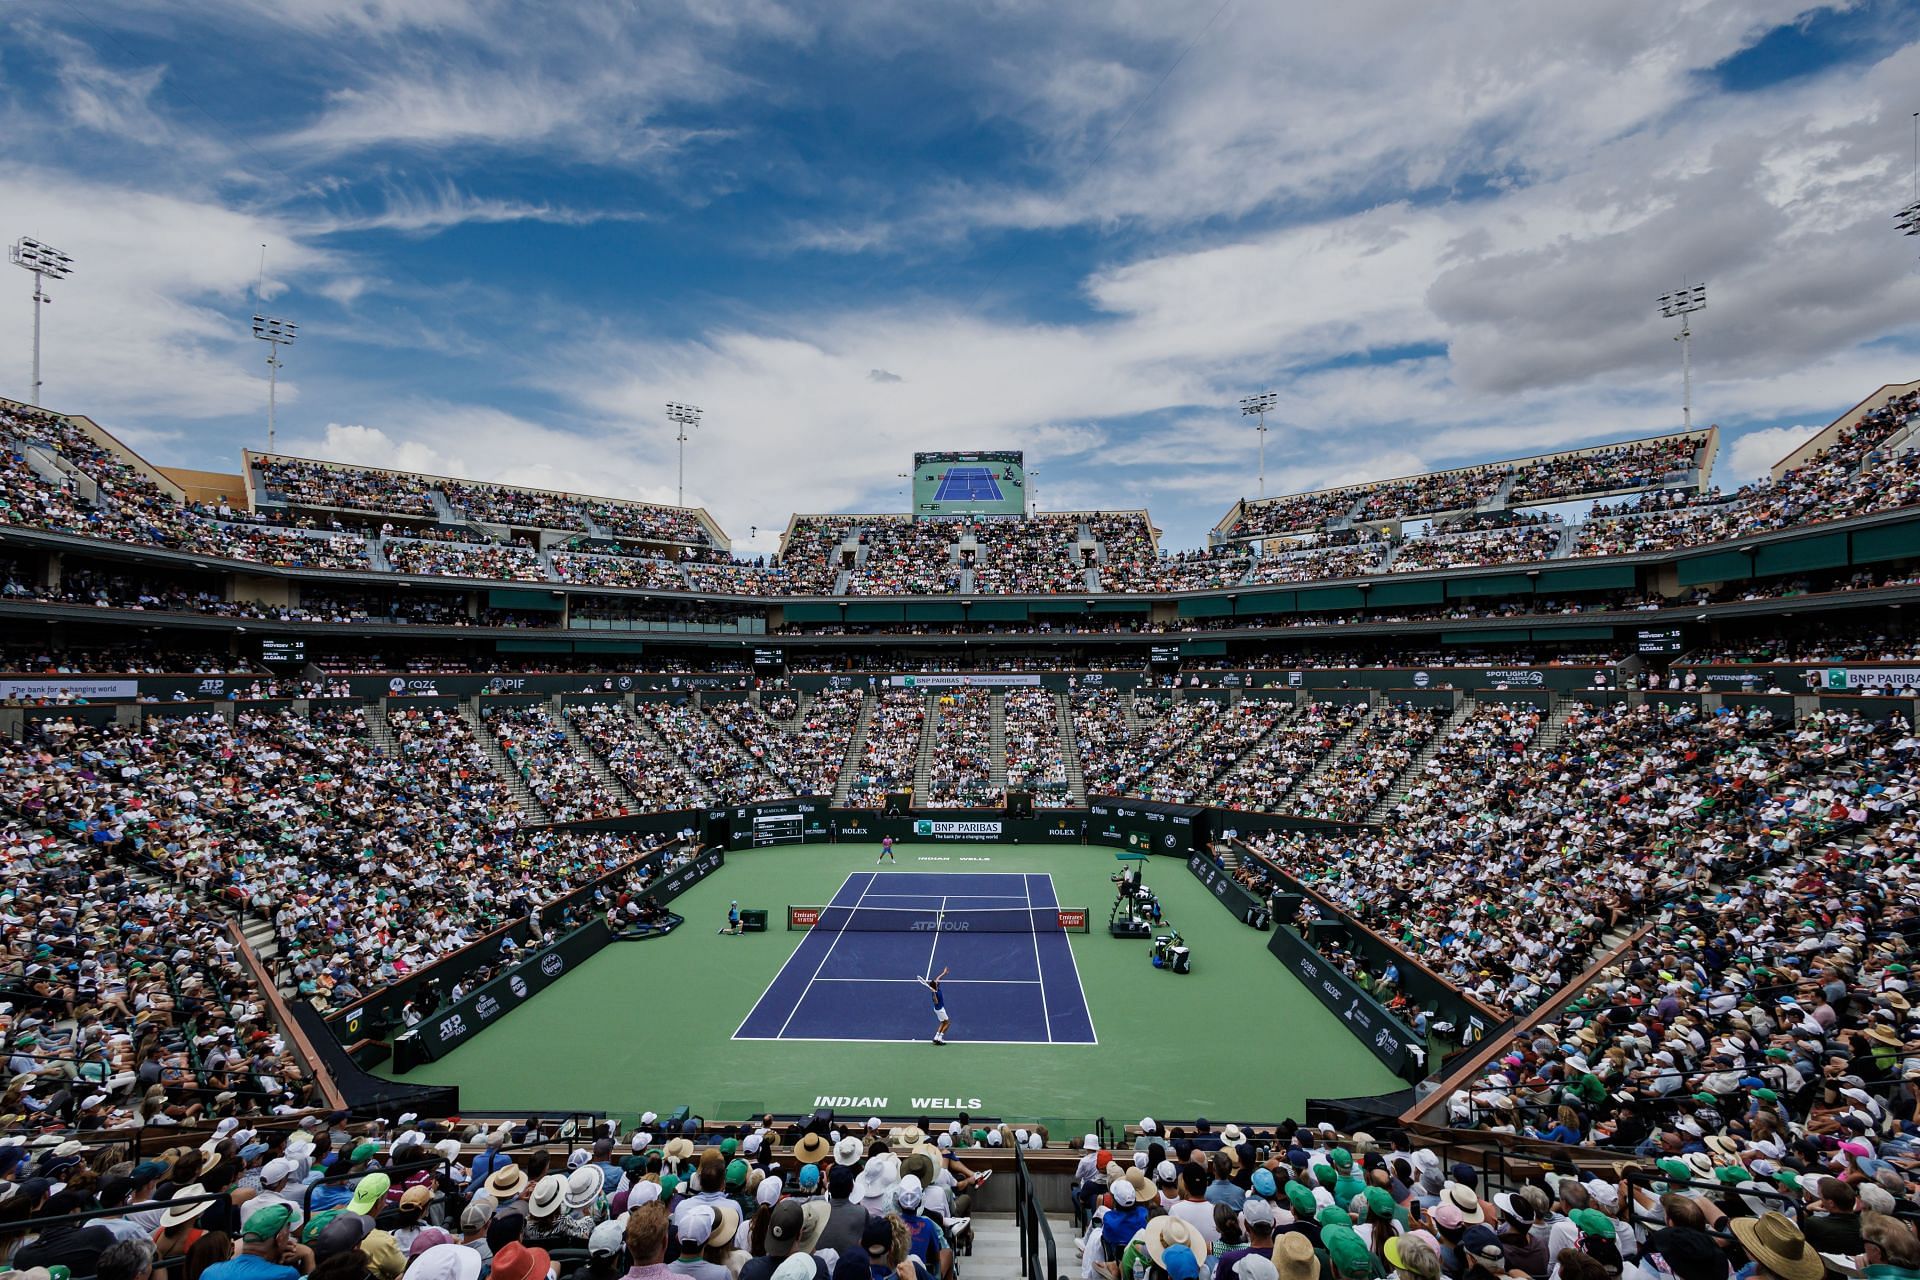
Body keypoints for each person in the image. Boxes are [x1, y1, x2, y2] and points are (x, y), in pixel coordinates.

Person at [199, 1204, 314, 1280]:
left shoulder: (210, 1272)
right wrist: (308, 1254)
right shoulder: (286, 1274)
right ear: (279, 1238)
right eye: (288, 1234)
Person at [917, 968, 950, 1046]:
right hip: (940, 1010)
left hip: (937, 1009)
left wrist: (944, 973)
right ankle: (940, 1038)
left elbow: (938, 978)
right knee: (947, 1023)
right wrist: (934, 993)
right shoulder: (935, 994)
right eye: (935, 983)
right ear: (935, 986)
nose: (937, 982)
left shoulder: (936, 987)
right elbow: (936, 1001)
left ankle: (936, 1037)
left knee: (942, 1022)